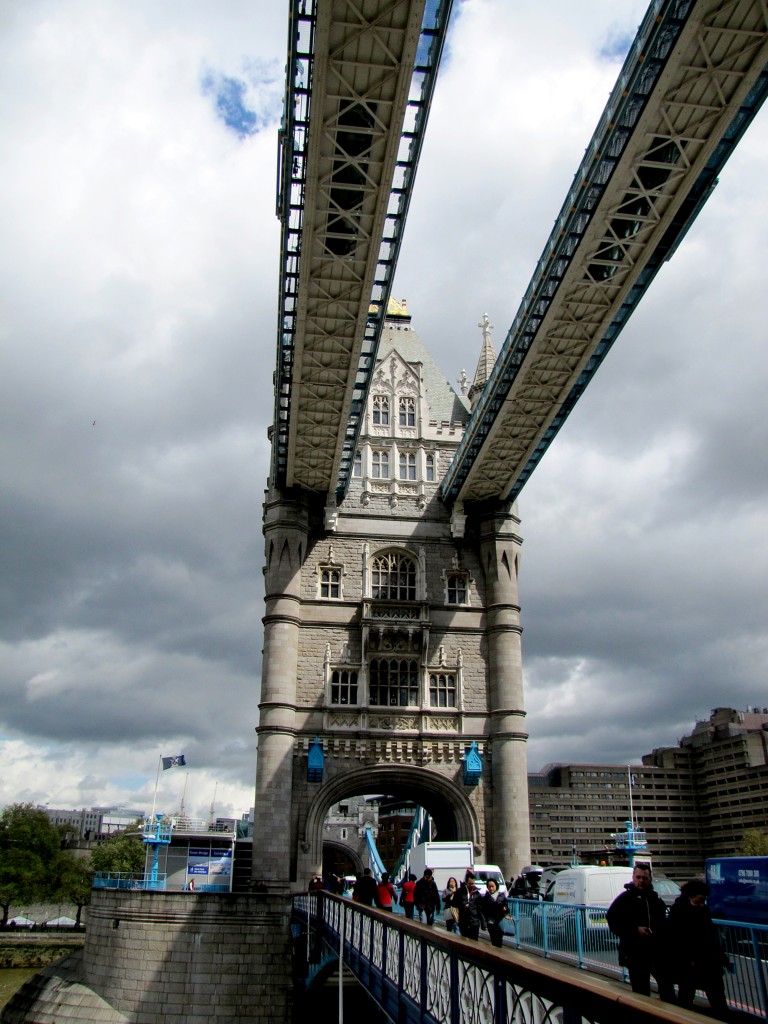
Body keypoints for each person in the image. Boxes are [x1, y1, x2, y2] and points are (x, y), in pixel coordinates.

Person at [607, 862, 674, 1002]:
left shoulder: (655, 899)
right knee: (641, 992)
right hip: (634, 952)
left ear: (650, 879)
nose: (641, 881)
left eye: (644, 878)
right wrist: (634, 930)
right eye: (638, 877)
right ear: (633, 877)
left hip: (656, 951)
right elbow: (613, 920)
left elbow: (663, 925)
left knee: (667, 988)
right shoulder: (624, 899)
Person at [667, 878, 729, 1018]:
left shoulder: (703, 911)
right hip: (689, 964)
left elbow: (712, 938)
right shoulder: (678, 912)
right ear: (689, 896)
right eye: (699, 901)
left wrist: (721, 957)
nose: (702, 904)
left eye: (704, 901)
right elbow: (676, 939)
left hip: (709, 962)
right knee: (686, 997)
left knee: (717, 999)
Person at [479, 877, 509, 947]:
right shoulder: (485, 898)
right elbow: (482, 911)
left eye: (492, 886)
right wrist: (484, 923)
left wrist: (505, 910)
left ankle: (499, 955)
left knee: (499, 940)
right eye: (489, 887)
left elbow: (507, 908)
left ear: (496, 886)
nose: (491, 888)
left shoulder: (501, 896)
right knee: (494, 940)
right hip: (491, 922)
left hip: (500, 921)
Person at [457, 870, 484, 940]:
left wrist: (483, 923)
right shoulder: (460, 892)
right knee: (464, 941)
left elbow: (480, 909)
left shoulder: (476, 893)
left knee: (474, 941)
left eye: (473, 883)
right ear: (466, 882)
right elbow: (455, 904)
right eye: (470, 884)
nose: (472, 885)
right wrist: (463, 906)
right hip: (463, 921)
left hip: (474, 922)